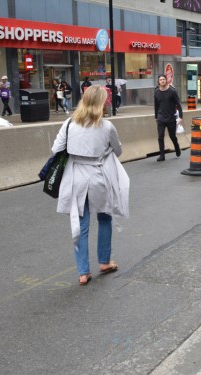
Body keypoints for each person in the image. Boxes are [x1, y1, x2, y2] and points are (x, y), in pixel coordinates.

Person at [51, 85, 129, 286]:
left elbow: (56, 149)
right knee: (104, 218)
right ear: (101, 103)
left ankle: (83, 272)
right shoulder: (107, 126)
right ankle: (104, 261)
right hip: (98, 176)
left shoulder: (69, 123)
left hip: (76, 177)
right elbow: (118, 151)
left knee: (80, 225)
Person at [154, 74, 183, 162]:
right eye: (160, 80)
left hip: (171, 117)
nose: (162, 81)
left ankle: (177, 147)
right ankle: (162, 155)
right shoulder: (156, 92)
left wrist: (181, 116)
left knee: (172, 136)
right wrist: (156, 117)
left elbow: (178, 104)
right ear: (158, 82)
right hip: (161, 117)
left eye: (163, 79)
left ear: (166, 80)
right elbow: (156, 105)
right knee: (160, 136)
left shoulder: (172, 91)